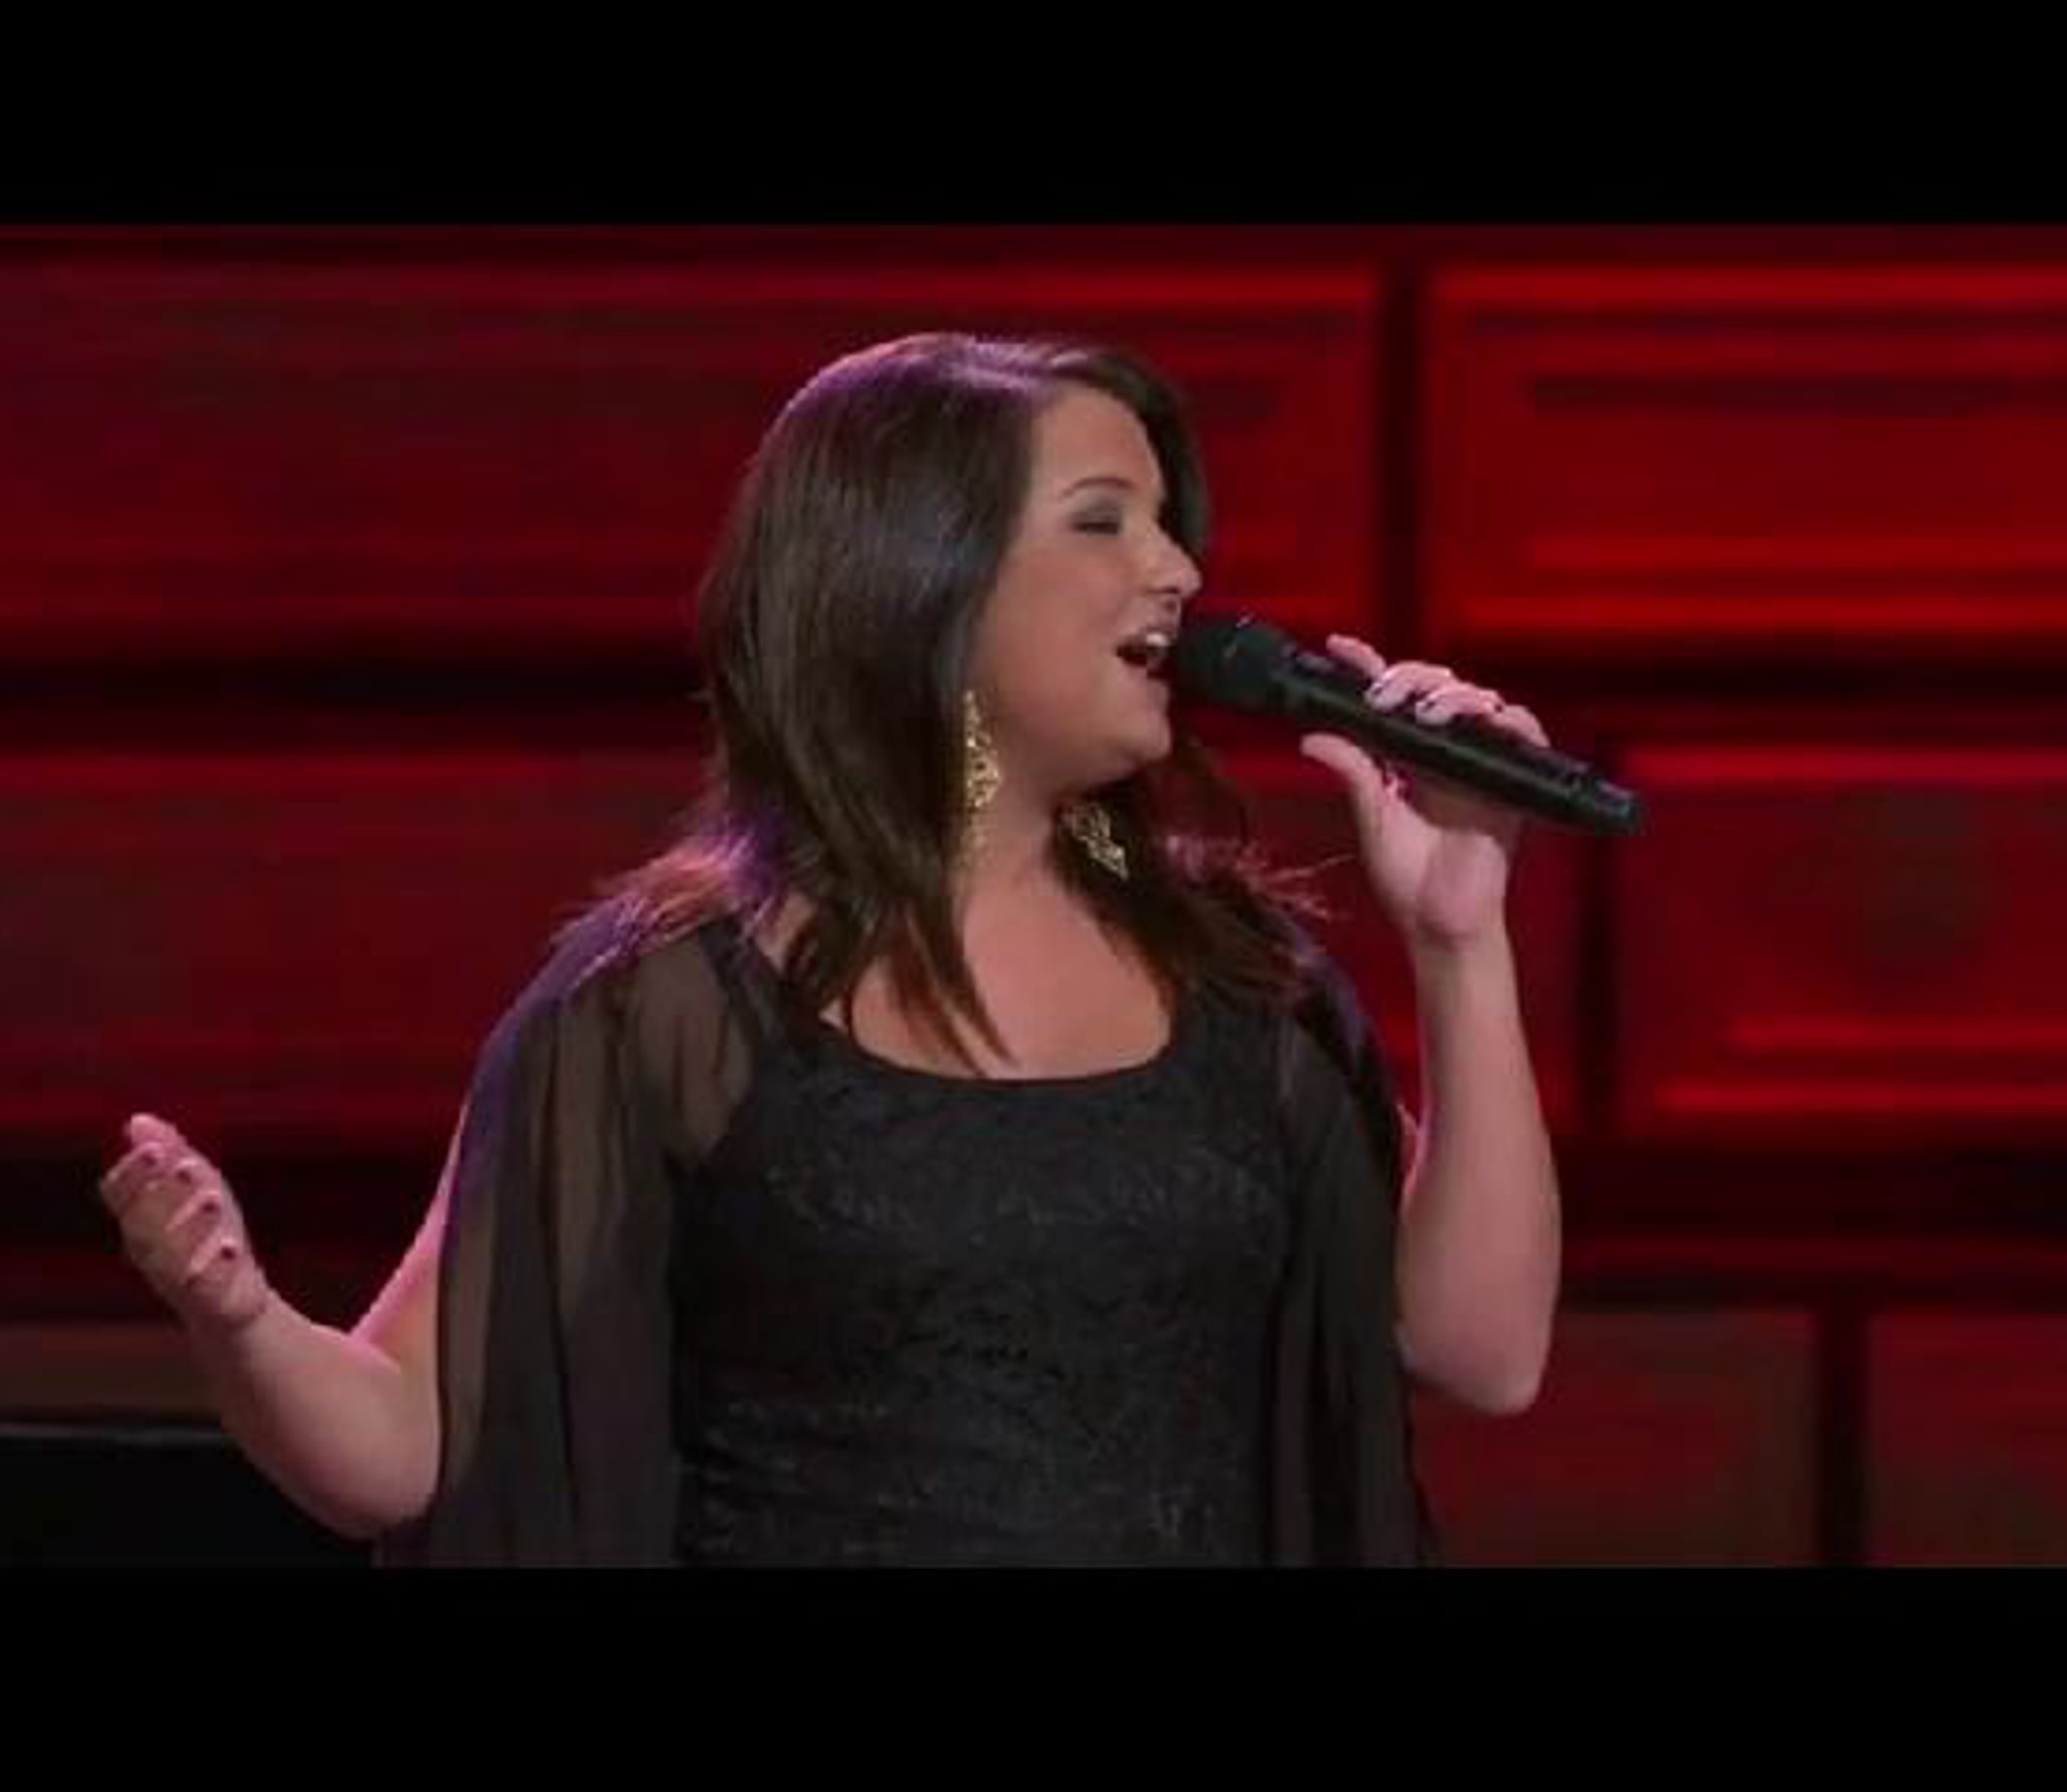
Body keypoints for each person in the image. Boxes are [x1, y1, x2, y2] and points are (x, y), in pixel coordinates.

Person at [93, 332, 1562, 1566]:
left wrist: (1462, 941)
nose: (1177, 570)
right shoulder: (672, 1004)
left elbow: (1484, 1352)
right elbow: (406, 1443)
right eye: (1104, 520)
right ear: (927, 578)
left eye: (1171, 522)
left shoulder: (1240, 981)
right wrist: (241, 1319)